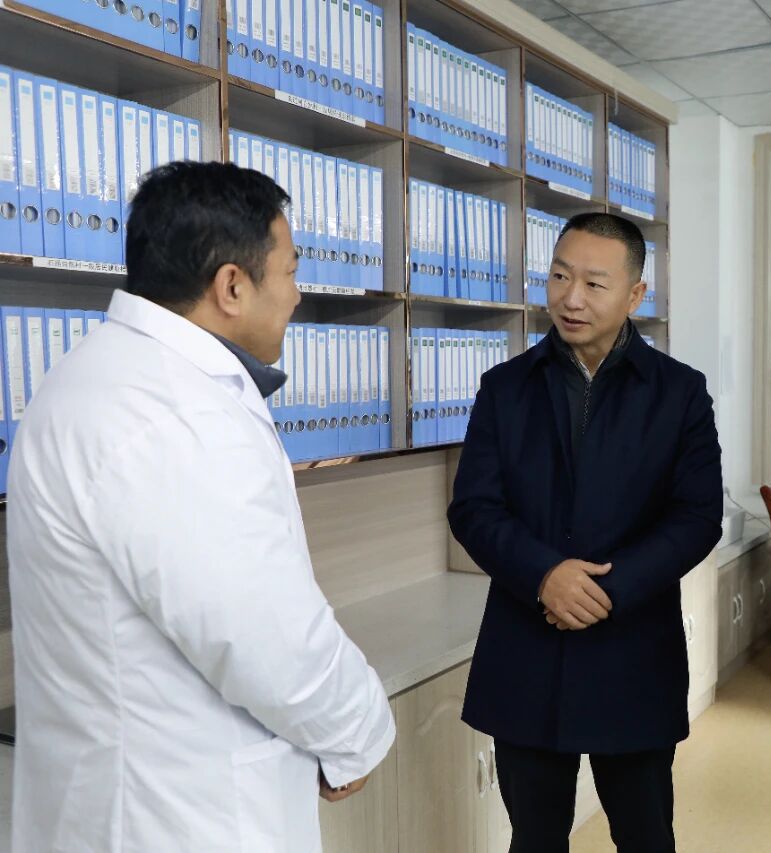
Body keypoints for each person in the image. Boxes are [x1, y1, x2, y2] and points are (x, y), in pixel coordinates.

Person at [8, 161, 395, 851]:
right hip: (180, 814)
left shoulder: (99, 378)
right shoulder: (175, 415)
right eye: (290, 271)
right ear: (232, 286)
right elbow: (266, 636)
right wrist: (360, 733)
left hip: (125, 795)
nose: (297, 294)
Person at [448, 212, 722, 853]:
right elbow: (474, 508)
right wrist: (545, 575)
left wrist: (606, 590)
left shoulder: (679, 393)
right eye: (559, 276)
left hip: (632, 650)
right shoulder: (505, 388)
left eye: (594, 284)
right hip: (528, 646)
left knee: (645, 835)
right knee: (535, 837)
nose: (571, 298)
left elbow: (696, 517)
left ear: (635, 294)